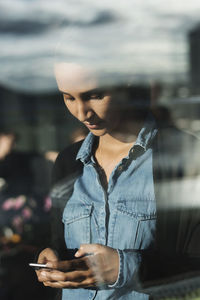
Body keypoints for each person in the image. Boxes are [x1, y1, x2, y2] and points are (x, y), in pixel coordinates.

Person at [35, 63, 200, 299]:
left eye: (94, 95)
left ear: (126, 80)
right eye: (68, 98)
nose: (82, 113)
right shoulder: (68, 162)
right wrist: (53, 258)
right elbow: (58, 241)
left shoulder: (185, 157)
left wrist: (129, 268)